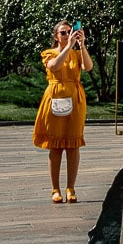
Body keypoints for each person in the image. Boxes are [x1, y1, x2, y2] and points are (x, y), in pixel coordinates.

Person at [33, 21, 91, 203]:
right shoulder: (49, 53)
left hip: (75, 98)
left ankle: (70, 187)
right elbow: (54, 66)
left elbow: (88, 67)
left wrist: (82, 46)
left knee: (73, 145)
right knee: (56, 145)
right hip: (55, 98)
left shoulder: (77, 52)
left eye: (70, 32)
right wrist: (69, 47)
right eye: (63, 33)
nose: (67, 35)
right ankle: (55, 189)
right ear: (56, 36)